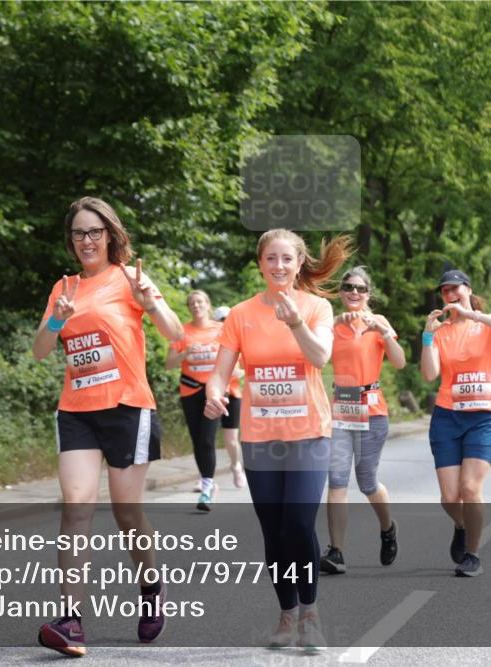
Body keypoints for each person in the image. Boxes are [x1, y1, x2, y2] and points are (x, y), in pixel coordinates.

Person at [33, 196, 184, 656]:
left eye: (95, 231)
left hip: (127, 407)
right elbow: (40, 349)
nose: (86, 240)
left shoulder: (130, 278)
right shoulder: (64, 288)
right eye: (79, 233)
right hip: (77, 410)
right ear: (71, 240)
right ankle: (72, 621)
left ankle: (151, 588)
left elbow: (176, 332)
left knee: (126, 514)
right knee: (76, 505)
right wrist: (58, 317)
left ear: (110, 235)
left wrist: (151, 305)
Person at [204, 228, 352, 653]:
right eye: (271, 258)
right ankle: (287, 614)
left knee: (299, 524)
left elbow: (320, 357)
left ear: (300, 263)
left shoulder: (317, 307)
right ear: (260, 263)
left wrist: (295, 324)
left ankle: (311, 614)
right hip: (260, 436)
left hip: (309, 434)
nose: (279, 266)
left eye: (287, 258)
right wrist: (215, 394)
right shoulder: (241, 314)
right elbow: (220, 371)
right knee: (273, 531)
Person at [421, 269, 491, 577]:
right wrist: (427, 334)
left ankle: (473, 555)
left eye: (455, 289)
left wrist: (475, 316)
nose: (450, 294)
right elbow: (429, 374)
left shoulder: (485, 325)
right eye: (445, 290)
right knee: (450, 498)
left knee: (469, 488)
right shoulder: (440, 332)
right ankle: (461, 525)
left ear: (467, 290)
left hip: (485, 416)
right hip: (448, 416)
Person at [319, 267, 407, 575]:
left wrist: (382, 332)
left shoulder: (379, 322)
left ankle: (387, 527)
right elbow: (313, 355)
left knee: (367, 481)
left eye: (359, 288)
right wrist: (329, 324)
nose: (353, 292)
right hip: (341, 409)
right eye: (347, 287)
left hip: (372, 411)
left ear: (368, 293)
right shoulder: (332, 326)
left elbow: (399, 361)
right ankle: (337, 551)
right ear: (341, 292)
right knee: (337, 480)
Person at [164, 290, 239, 512]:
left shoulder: (221, 329)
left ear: (208, 304)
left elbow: (234, 355)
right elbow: (169, 364)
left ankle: (207, 487)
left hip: (214, 392)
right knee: (198, 441)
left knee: (207, 439)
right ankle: (209, 483)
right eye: (192, 303)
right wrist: (185, 353)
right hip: (190, 391)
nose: (196, 305)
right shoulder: (181, 332)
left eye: (200, 301)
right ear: (189, 307)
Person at [213, 305, 246, 487]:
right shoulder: (211, 342)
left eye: (226, 319)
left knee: (231, 439)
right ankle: (207, 479)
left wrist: (233, 371)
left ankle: (236, 466)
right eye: (220, 320)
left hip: (232, 394)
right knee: (205, 440)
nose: (224, 323)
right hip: (213, 395)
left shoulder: (238, 341)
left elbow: (244, 371)